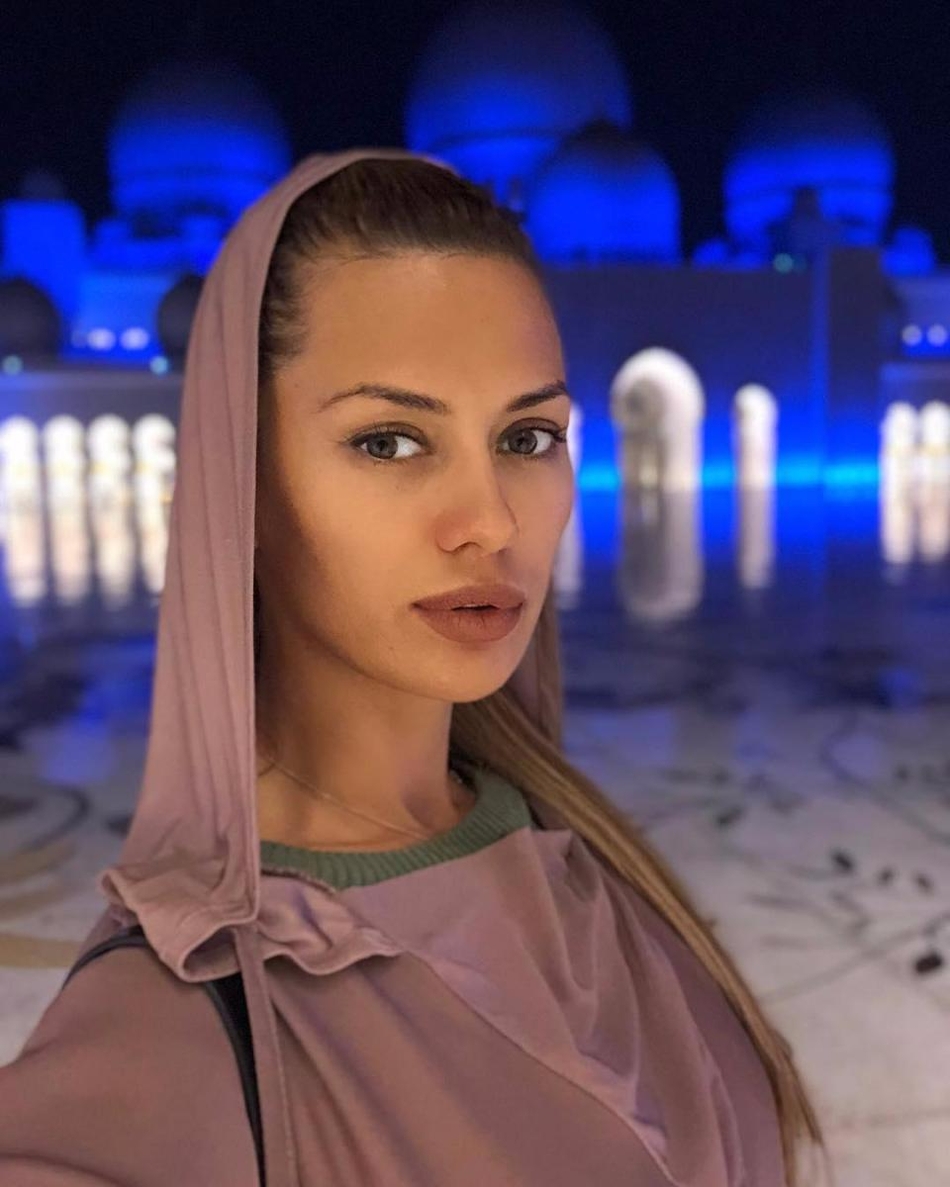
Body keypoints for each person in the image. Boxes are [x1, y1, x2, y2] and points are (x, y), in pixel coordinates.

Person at [0, 148, 830, 1186]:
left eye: (527, 436)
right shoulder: (185, 1022)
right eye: (390, 441)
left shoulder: (583, 856)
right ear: (238, 481)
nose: (490, 522)